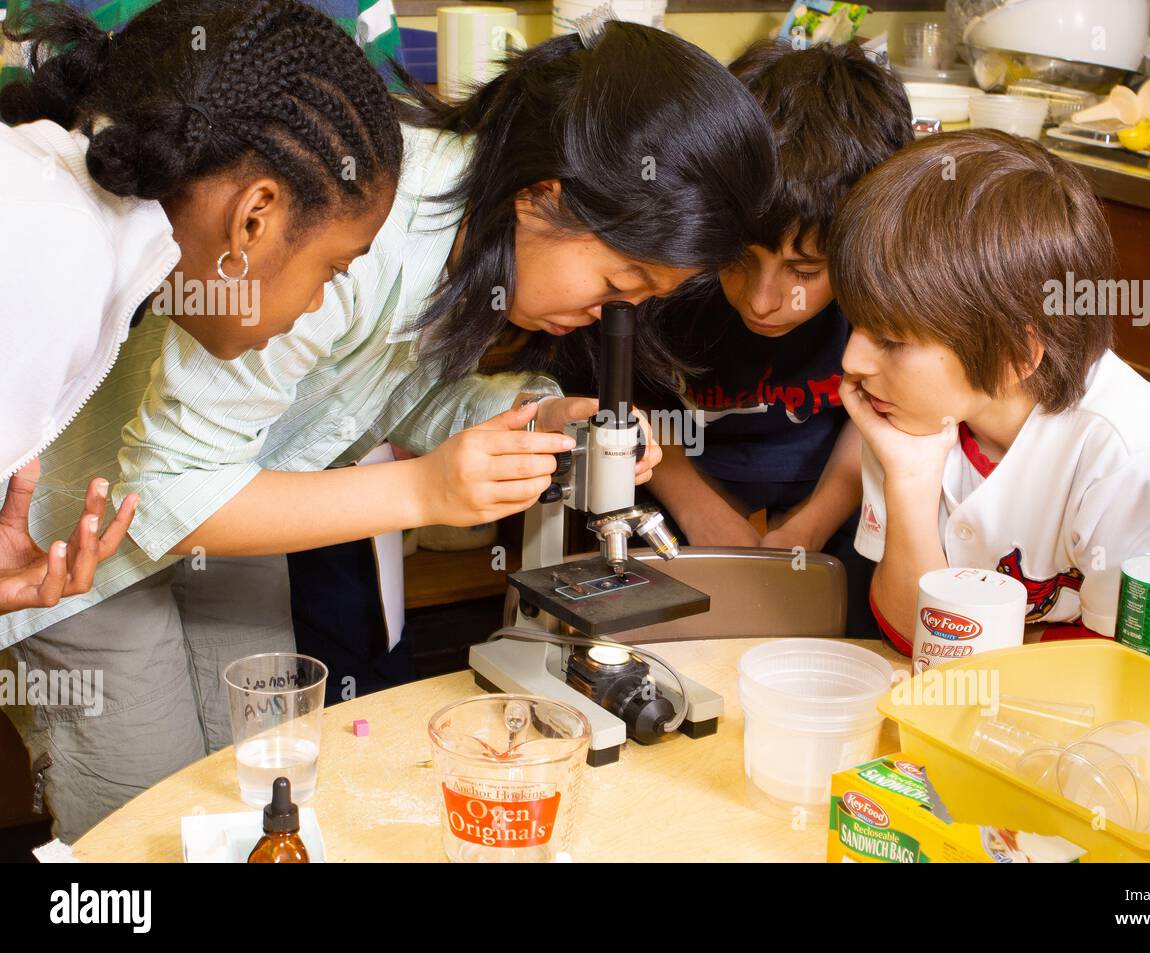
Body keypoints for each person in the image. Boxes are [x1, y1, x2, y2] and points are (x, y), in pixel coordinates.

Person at [0, 18, 777, 839]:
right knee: (150, 822)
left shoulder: (464, 228)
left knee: (266, 786)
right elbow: (168, 488)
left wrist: (539, 420)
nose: (611, 313)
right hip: (78, 545)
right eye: (621, 282)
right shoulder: (340, 226)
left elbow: (384, 398)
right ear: (545, 194)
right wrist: (424, 488)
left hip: (236, 525)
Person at [829, 129, 1150, 698]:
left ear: (1015, 355)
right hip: (1026, 710)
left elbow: (1129, 689)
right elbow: (913, 636)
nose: (852, 359)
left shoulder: (1128, 454)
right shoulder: (910, 417)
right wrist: (909, 479)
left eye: (891, 339)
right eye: (856, 325)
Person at [0, 0, 406, 614]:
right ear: (252, 219)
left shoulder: (73, 223)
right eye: (332, 269)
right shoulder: (58, 253)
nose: (321, 300)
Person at [642, 39, 912, 637]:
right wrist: (695, 505)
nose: (763, 301)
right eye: (737, 260)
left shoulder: (887, 289)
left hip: (836, 509)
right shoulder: (668, 269)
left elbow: (874, 417)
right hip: (668, 509)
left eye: (805, 272)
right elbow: (618, 401)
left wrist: (811, 526)